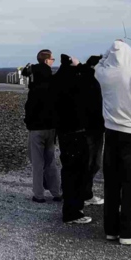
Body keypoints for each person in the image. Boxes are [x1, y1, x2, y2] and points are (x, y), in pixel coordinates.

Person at [95, 42, 131, 245]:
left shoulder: (103, 73)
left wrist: (108, 52)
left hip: (111, 132)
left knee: (112, 184)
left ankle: (111, 229)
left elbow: (99, 64)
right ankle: (128, 232)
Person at [53, 55, 93, 223]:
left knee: (68, 171)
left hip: (63, 132)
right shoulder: (75, 82)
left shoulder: (56, 81)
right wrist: (82, 67)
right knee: (76, 173)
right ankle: (73, 211)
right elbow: (89, 81)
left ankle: (71, 208)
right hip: (76, 131)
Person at [23, 48, 61, 202]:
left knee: (37, 163)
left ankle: (39, 194)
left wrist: (29, 123)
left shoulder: (34, 84)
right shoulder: (53, 82)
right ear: (47, 60)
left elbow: (29, 107)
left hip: (36, 128)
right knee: (51, 162)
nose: (53, 61)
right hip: (51, 128)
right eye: (52, 59)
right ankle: (56, 192)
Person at [78, 55, 106, 207]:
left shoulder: (83, 79)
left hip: (90, 127)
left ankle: (83, 192)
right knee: (91, 162)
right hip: (92, 127)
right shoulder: (92, 82)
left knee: (91, 162)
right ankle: (85, 194)